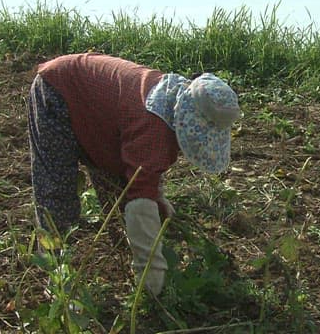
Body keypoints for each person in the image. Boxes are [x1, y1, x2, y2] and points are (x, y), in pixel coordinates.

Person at [27, 52, 241, 296]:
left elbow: (141, 174)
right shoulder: (153, 125)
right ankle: (58, 281)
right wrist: (152, 275)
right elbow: (140, 194)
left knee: (119, 193)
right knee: (58, 195)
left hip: (99, 116)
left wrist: (156, 198)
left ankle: (124, 259)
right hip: (58, 91)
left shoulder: (169, 101)